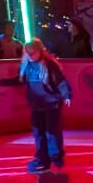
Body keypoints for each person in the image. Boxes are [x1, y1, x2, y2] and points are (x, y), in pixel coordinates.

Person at [14, 38, 72, 172]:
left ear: (40, 51)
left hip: (52, 103)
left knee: (52, 131)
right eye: (28, 53)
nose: (30, 56)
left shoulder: (49, 65)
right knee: (38, 132)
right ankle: (42, 159)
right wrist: (4, 82)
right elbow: (21, 81)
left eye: (33, 53)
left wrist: (66, 94)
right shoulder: (27, 66)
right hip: (37, 104)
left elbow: (60, 81)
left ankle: (55, 155)